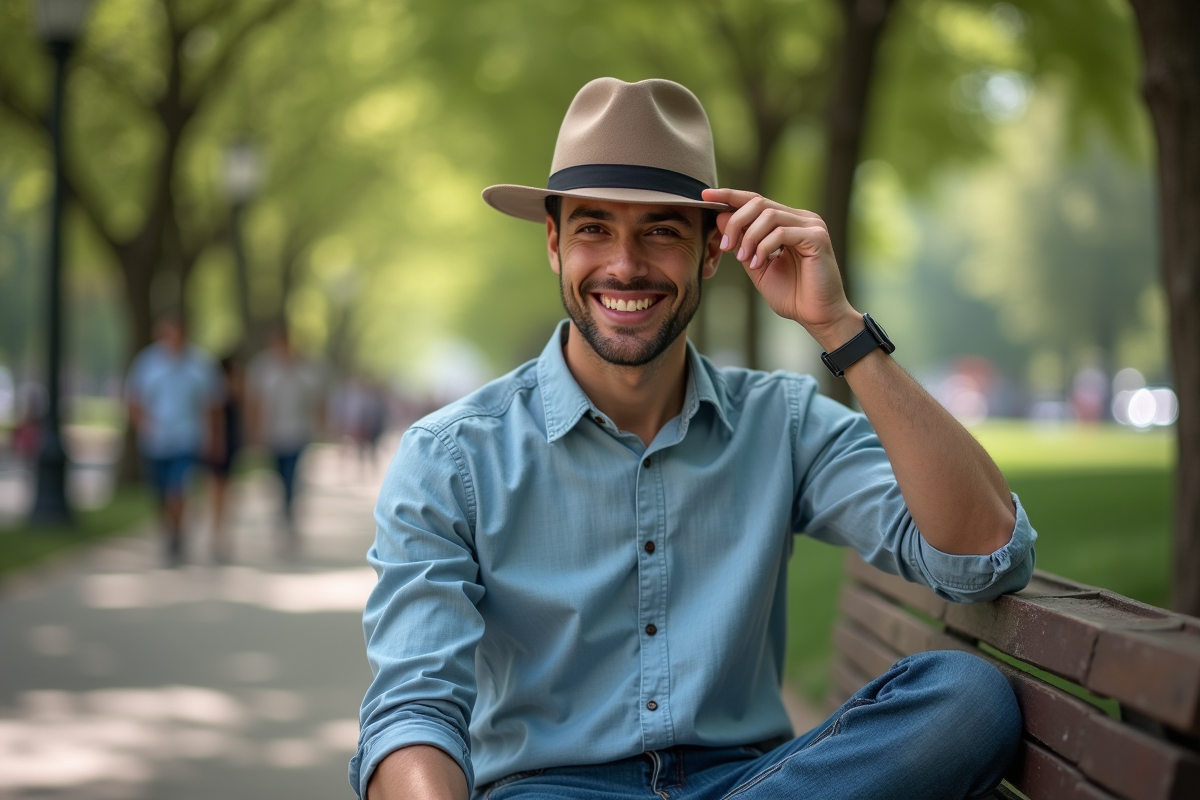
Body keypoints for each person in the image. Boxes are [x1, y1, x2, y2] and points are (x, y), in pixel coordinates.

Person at [353, 78, 1038, 800]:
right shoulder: (451, 456)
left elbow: (986, 556)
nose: (625, 265)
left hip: (751, 783)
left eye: (661, 229)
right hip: (548, 788)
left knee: (967, 697)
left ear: (712, 253)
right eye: (593, 228)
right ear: (553, 244)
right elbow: (414, 710)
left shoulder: (785, 422)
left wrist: (838, 327)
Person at [125, 313, 222, 566]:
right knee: (159, 493)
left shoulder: (200, 364)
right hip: (155, 441)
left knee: (177, 489)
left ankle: (178, 534)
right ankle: (170, 531)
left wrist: (213, 437)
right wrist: (144, 426)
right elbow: (134, 400)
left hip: (186, 438)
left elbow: (211, 405)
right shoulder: (147, 363)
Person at [246, 326, 325, 548]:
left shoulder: (305, 368)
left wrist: (320, 425)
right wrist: (254, 430)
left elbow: (316, 399)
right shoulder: (262, 368)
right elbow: (255, 401)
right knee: (278, 478)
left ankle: (290, 516)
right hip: (273, 434)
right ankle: (282, 514)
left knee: (293, 477)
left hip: (298, 432)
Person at [207, 354, 244, 563]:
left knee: (225, 490)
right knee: (218, 490)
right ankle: (217, 535)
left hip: (231, 444)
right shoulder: (218, 391)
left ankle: (221, 534)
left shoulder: (234, 389)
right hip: (222, 445)